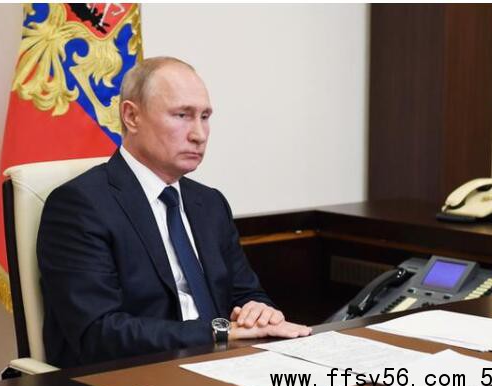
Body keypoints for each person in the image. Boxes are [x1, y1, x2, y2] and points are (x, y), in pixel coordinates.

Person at [37, 57, 311, 368]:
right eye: (182, 115)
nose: (199, 134)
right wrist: (217, 334)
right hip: (136, 375)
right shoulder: (80, 205)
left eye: (205, 117)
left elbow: (246, 293)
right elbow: (98, 333)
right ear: (131, 116)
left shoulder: (209, 203)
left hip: (226, 364)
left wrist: (259, 311)